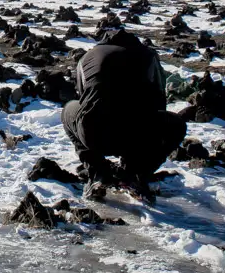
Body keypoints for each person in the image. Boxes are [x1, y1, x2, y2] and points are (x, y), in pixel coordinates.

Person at [61, 29, 186, 200]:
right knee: (176, 124)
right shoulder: (147, 56)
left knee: (70, 109)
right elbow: (159, 101)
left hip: (94, 132)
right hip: (136, 134)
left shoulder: (87, 57)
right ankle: (135, 173)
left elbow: (83, 98)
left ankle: (97, 172)